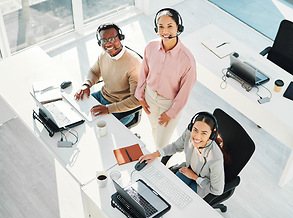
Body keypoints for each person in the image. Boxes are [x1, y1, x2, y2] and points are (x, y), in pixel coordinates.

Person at [135, 8, 197, 149]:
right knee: (154, 129)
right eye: (161, 26)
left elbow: (185, 92)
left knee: (161, 143)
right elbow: (143, 72)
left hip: (168, 104)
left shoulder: (187, 60)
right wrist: (140, 96)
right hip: (150, 97)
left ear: (178, 28)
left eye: (170, 26)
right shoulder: (150, 47)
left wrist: (171, 113)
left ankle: (159, 160)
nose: (165, 31)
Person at [138, 112, 228, 198]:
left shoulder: (215, 158)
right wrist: (155, 154)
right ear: (191, 127)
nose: (197, 136)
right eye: (195, 130)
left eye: (204, 133)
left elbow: (217, 190)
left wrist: (194, 177)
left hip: (203, 184)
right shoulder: (189, 133)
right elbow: (175, 146)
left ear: (211, 135)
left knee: (179, 199)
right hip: (188, 170)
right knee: (166, 192)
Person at [74, 23, 141, 125]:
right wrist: (86, 84)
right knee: (78, 107)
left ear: (120, 38)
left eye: (112, 39)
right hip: (103, 96)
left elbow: (136, 100)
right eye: (103, 41)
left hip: (122, 108)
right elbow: (94, 71)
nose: (108, 44)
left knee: (98, 128)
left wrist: (108, 109)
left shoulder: (134, 64)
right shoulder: (104, 54)